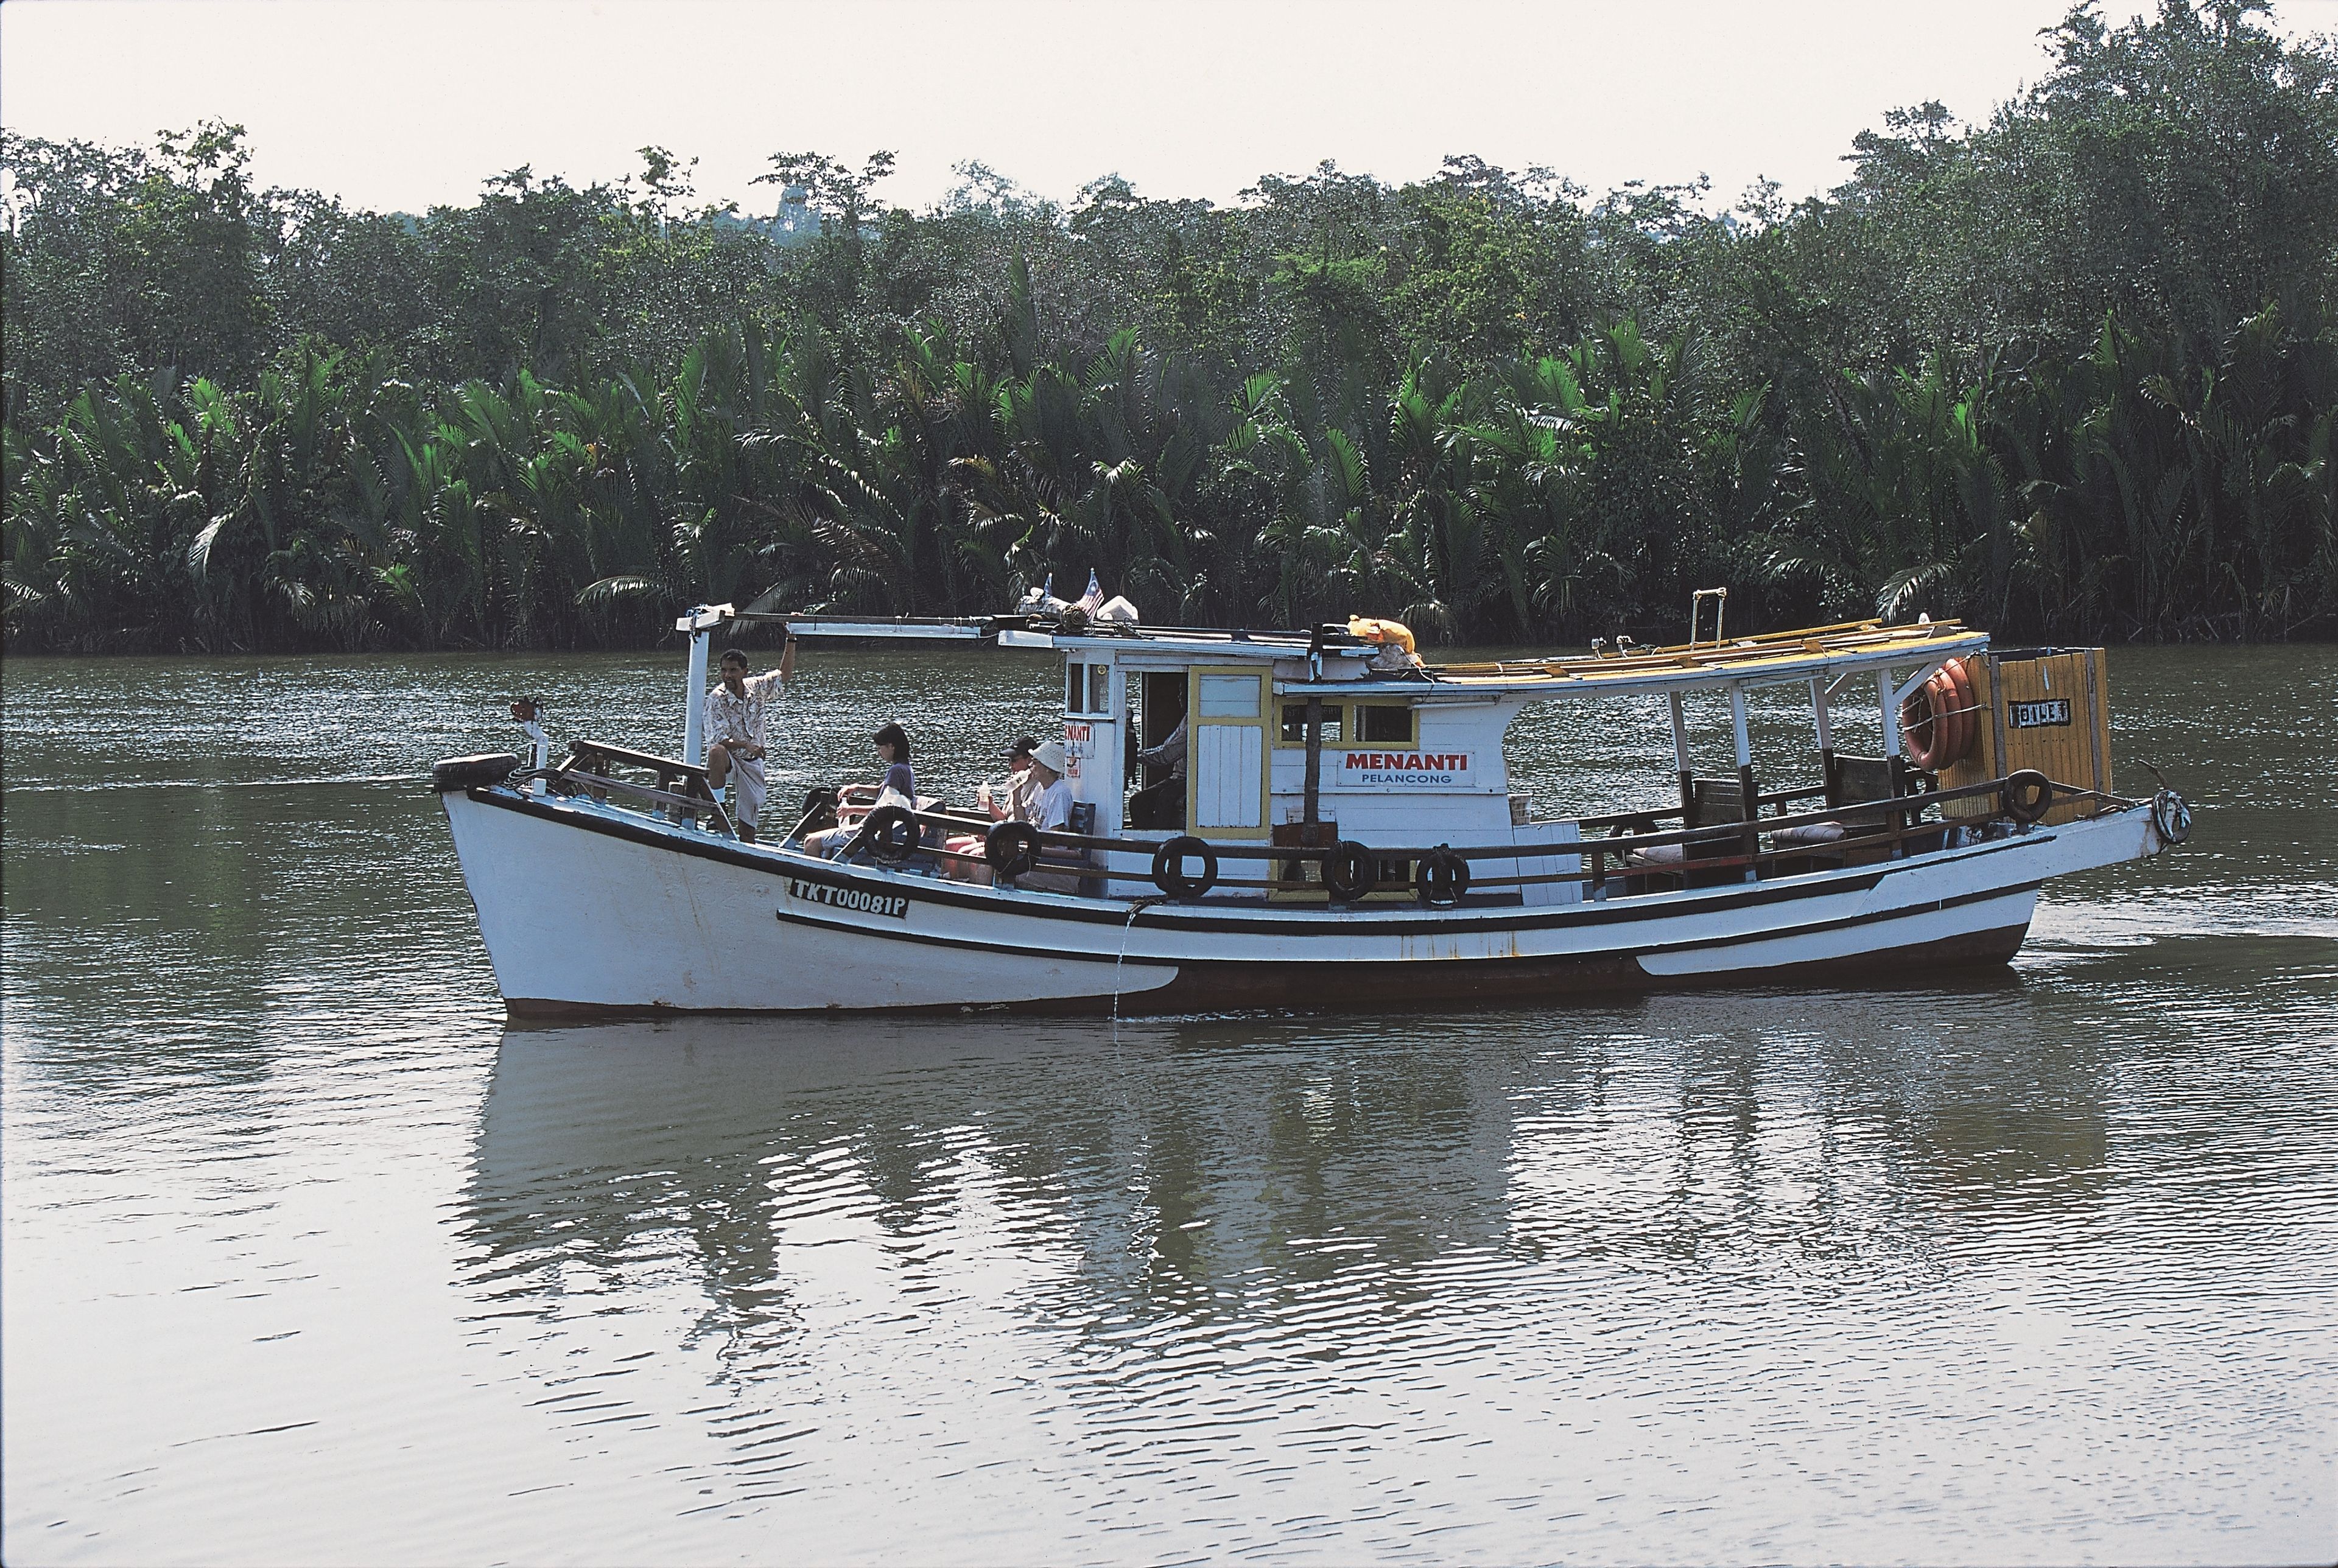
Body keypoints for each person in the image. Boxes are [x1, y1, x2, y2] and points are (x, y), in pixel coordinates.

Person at [704, 637, 795, 841]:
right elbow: (718, 738)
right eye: (724, 670)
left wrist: (791, 638)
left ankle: (745, 857)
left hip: (752, 762)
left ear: (744, 671)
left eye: (733, 670)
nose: (727, 675)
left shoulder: (757, 687)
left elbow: (784, 675)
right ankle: (718, 809)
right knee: (716, 752)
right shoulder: (716, 698)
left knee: (748, 831)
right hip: (729, 760)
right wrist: (746, 744)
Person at [810, 724, 919, 858]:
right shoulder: (905, 768)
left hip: (872, 833)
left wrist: (851, 810)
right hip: (880, 830)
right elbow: (881, 791)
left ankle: (818, 876)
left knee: (811, 842)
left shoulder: (896, 770)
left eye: (880, 748)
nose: (879, 752)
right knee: (826, 843)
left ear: (891, 746)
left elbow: (885, 810)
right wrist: (857, 788)